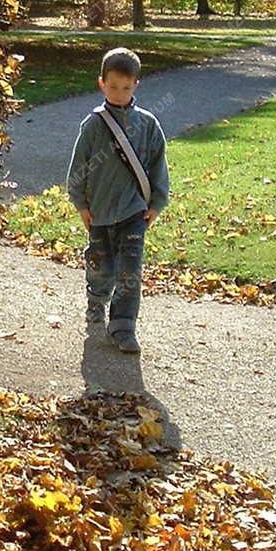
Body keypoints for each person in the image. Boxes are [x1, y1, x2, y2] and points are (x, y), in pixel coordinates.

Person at [65, 46, 170, 352]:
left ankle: (123, 327)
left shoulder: (148, 124)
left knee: (129, 272)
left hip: (134, 213)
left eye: (126, 87)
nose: (119, 93)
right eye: (112, 87)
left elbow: (157, 165)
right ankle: (96, 300)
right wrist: (81, 204)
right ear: (101, 84)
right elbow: (78, 167)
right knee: (100, 267)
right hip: (98, 212)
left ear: (136, 85)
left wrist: (156, 203)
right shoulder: (93, 125)